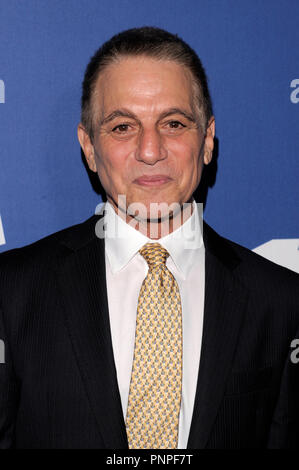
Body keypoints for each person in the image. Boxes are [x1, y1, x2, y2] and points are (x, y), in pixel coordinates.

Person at [0, 26, 299, 450]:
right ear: (88, 147)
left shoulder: (283, 303)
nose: (150, 149)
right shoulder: (11, 293)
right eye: (122, 127)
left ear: (207, 140)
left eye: (173, 123)